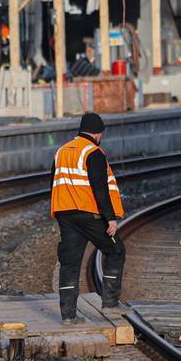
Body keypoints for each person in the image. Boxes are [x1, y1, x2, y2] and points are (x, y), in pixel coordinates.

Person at [50, 112, 125, 323]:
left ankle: (68, 315)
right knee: (116, 250)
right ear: (97, 133)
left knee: (70, 263)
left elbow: (53, 183)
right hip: (89, 214)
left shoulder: (61, 152)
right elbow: (99, 189)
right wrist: (110, 218)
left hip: (65, 214)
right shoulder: (94, 152)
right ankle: (110, 304)